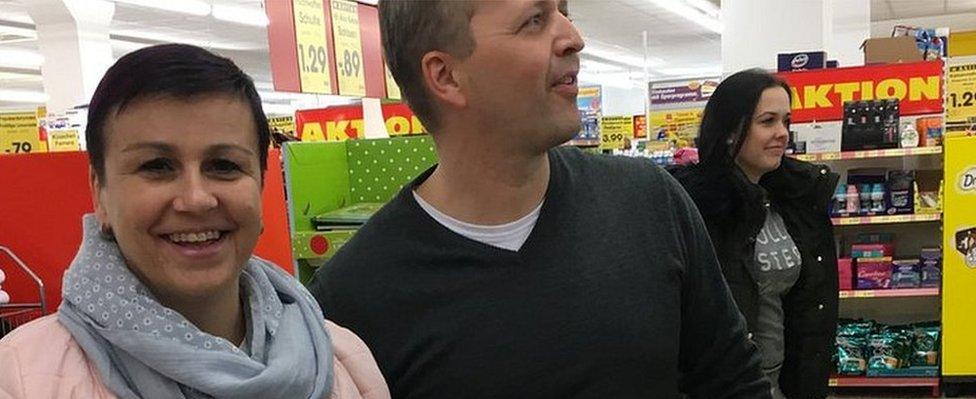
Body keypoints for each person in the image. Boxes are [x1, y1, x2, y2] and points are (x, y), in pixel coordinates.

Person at [308, 1, 770, 398]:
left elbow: (732, 381)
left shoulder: (649, 202)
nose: (574, 37)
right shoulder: (353, 298)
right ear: (446, 76)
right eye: (534, 19)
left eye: (563, 12)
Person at [0, 44, 389, 399]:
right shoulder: (21, 377)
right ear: (99, 191)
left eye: (224, 165)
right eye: (156, 166)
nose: (196, 198)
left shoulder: (341, 360)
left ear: (261, 185)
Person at [669, 69, 839, 399]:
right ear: (731, 130)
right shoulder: (695, 207)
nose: (782, 133)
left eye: (786, 121)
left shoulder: (794, 200)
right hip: (724, 387)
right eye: (768, 121)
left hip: (784, 383)